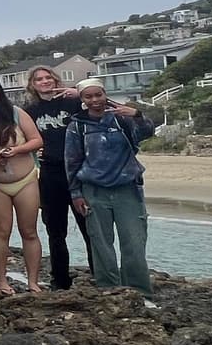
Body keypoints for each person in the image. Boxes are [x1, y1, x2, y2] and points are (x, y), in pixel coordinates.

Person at [66, 79, 157, 296]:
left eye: (98, 95)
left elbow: (148, 131)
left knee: (134, 242)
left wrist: (137, 114)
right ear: (82, 99)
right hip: (93, 191)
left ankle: (140, 292)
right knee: (101, 244)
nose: (94, 100)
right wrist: (76, 193)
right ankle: (108, 290)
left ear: (105, 94)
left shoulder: (122, 120)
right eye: (88, 96)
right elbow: (72, 162)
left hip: (128, 189)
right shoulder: (77, 126)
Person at [0, 75, 44, 298]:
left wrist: (17, 150)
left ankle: (33, 282)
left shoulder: (15, 113)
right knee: (2, 231)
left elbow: (37, 140)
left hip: (26, 179)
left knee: (29, 231)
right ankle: (1, 280)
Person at [24, 66, 92, 290]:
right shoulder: (29, 111)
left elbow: (100, 104)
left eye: (48, 77)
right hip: (49, 173)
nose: (44, 82)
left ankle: (99, 274)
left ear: (55, 80)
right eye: (39, 79)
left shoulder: (72, 102)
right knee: (55, 231)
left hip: (79, 172)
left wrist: (79, 93)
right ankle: (60, 280)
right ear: (32, 85)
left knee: (89, 227)